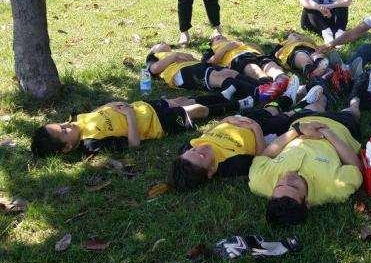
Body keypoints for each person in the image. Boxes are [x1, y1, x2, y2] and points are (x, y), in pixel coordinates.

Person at [171, 86, 328, 190]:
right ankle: (305, 104)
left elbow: (206, 133)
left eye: (194, 149)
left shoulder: (186, 150)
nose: (201, 147)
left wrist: (226, 120)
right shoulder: (231, 165)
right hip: (260, 132)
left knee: (269, 110)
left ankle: (288, 97)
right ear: (210, 171)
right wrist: (256, 129)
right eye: (202, 155)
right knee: (283, 118)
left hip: (238, 121)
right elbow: (261, 158)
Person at [248, 98, 363, 225]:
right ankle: (356, 96)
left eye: (279, 185)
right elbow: (356, 166)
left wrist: (299, 130)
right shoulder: (335, 187)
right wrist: (326, 132)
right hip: (339, 126)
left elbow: (266, 154)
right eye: (294, 186)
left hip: (302, 122)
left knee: (317, 103)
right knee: (352, 110)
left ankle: (323, 91)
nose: (288, 177)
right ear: (307, 203)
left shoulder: (259, 181)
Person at [31, 95, 237, 157]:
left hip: (145, 107)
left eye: (62, 124)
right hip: (156, 124)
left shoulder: (77, 120)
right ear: (67, 147)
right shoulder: (92, 143)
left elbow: (98, 112)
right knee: (196, 109)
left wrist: (109, 105)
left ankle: (225, 95)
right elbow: (134, 144)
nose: (68, 125)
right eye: (65, 131)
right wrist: (128, 115)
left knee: (185, 99)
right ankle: (236, 105)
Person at [146, 43, 294, 106]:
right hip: (182, 74)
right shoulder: (156, 57)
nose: (162, 43)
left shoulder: (171, 54)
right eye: (157, 44)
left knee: (229, 72)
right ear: (153, 52)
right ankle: (258, 93)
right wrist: (174, 55)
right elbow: (154, 69)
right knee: (219, 77)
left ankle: (266, 87)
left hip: (195, 68)